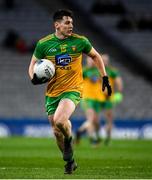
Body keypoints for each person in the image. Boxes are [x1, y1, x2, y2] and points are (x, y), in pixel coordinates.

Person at [28, 9, 112, 174]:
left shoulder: (80, 42)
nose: (71, 25)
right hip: (52, 92)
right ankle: (70, 161)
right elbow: (32, 65)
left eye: (72, 22)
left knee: (60, 120)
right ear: (57, 25)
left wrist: (105, 77)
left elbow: (96, 56)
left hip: (73, 89)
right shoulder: (44, 44)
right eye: (67, 22)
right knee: (56, 130)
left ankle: (69, 139)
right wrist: (33, 78)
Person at [76, 54, 123, 146]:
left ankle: (89, 134)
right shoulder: (84, 71)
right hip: (86, 98)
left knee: (96, 121)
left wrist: (109, 92)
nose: (91, 62)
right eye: (89, 60)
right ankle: (91, 139)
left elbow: (103, 83)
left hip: (97, 99)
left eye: (92, 60)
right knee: (91, 118)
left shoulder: (98, 71)